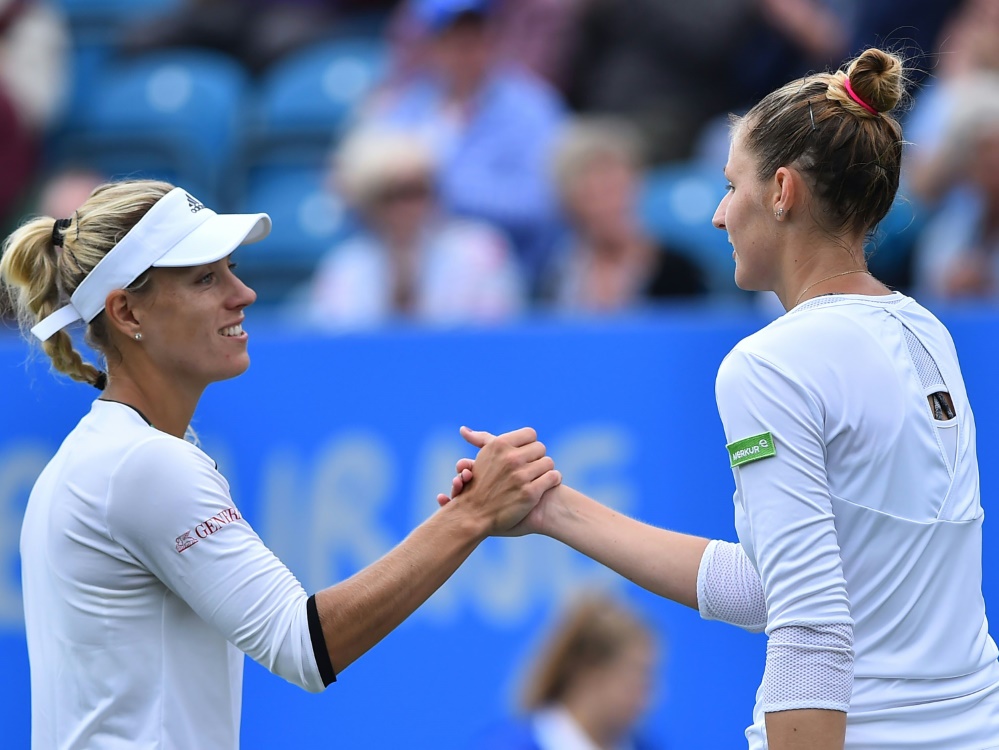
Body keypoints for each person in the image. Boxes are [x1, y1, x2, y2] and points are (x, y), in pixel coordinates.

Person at [445, 47, 999, 748]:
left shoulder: (769, 363)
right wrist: (554, 510)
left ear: (781, 191)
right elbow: (776, 587)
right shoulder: (927, 333)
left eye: (731, 185)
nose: (716, 214)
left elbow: (809, 621)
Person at [0, 179, 562, 748]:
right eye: (205, 278)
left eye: (231, 269)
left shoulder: (105, 457)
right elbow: (305, 645)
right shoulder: (144, 465)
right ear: (125, 311)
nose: (242, 293)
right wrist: (472, 516)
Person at [363, 0, 566, 290]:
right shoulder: (405, 108)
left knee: (476, 251)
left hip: (516, 276)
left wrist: (440, 189)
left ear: (492, 39)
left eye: (474, 36)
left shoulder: (532, 109)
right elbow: (370, 188)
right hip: (413, 265)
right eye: (452, 39)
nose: (464, 50)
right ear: (432, 46)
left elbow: (544, 204)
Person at [307, 127, 525, 326]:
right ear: (370, 205)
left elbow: (496, 338)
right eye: (394, 195)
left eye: (418, 191)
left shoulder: (481, 253)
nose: (409, 207)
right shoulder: (346, 268)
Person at [543, 117, 706, 311]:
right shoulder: (557, 274)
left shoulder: (680, 272)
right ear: (570, 205)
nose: (608, 205)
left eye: (616, 189)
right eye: (593, 195)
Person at [468, 593, 661, 750]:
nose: (649, 694)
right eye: (639, 674)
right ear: (591, 672)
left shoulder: (647, 746)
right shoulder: (507, 746)